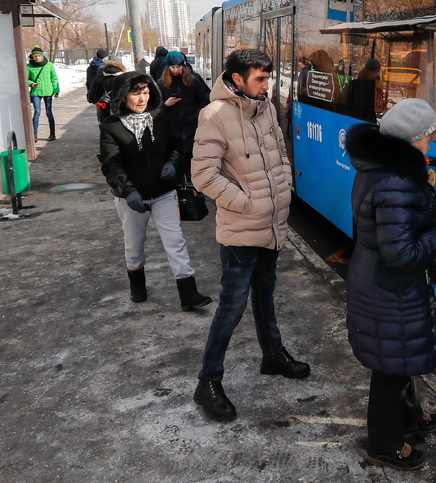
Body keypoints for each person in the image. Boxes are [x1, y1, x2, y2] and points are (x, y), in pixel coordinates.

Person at [191, 48, 310, 423]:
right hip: (241, 230)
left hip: (272, 225)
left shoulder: (266, 108)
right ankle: (208, 381)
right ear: (237, 79)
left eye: (268, 77)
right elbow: (203, 176)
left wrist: (284, 184)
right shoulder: (214, 115)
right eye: (260, 78)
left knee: (265, 294)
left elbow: (281, 152)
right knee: (232, 306)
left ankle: (272, 355)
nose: (267, 85)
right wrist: (247, 203)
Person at [344, 98, 436, 471]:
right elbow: (401, 255)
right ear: (409, 139)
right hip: (389, 289)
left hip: (380, 283)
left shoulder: (380, 168)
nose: (429, 144)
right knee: (391, 370)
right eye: (426, 138)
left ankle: (409, 418)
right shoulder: (396, 182)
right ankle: (384, 445)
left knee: (399, 360)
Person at [98, 71, 212, 311]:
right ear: (123, 96)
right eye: (135, 93)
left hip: (163, 193)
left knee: (175, 242)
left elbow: (175, 145)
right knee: (134, 245)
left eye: (146, 92)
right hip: (131, 199)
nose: (142, 98)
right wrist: (128, 190)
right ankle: (137, 286)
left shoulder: (159, 117)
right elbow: (111, 164)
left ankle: (188, 294)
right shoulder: (111, 127)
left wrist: (171, 163)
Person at [157, 50, 211, 183]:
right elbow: (155, 108)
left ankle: (195, 188)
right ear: (168, 67)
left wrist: (196, 116)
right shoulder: (162, 83)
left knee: (194, 164)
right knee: (176, 166)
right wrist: (165, 105)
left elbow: (205, 100)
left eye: (179, 66)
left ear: (183, 66)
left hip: (193, 129)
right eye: (173, 67)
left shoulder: (193, 80)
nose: (176, 70)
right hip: (173, 130)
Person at [26, 45, 60, 141]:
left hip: (48, 91)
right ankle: (34, 134)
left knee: (49, 112)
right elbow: (25, 79)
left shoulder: (49, 65)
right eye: (35, 56)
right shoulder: (29, 67)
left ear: (42, 56)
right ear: (32, 56)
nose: (37, 58)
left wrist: (56, 90)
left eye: (39, 56)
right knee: (37, 112)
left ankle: (52, 134)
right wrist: (31, 84)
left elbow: (54, 78)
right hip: (36, 92)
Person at [342, 58, 381, 123]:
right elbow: (378, 107)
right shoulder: (373, 86)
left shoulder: (354, 84)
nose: (377, 75)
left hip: (354, 118)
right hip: (367, 120)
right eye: (376, 72)